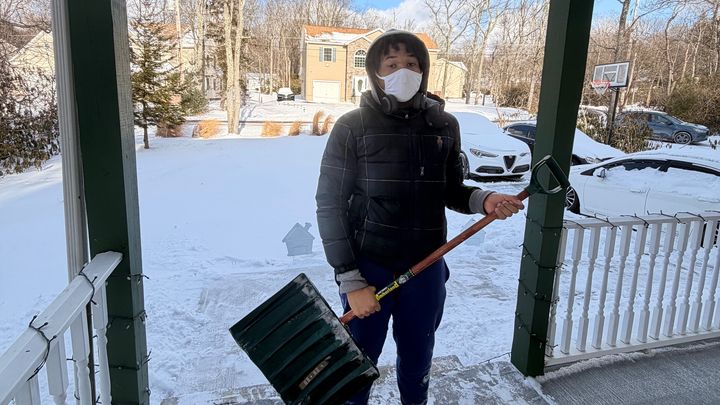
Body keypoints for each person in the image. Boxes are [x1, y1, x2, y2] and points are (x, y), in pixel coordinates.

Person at [315, 30, 524, 405]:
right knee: (357, 365)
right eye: (392, 64)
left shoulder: (443, 125)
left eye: (412, 64)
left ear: (424, 71)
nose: (403, 71)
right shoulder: (352, 127)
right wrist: (350, 280)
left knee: (417, 360)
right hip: (369, 267)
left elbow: (451, 190)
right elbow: (330, 204)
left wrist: (486, 199)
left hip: (426, 267)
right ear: (376, 73)